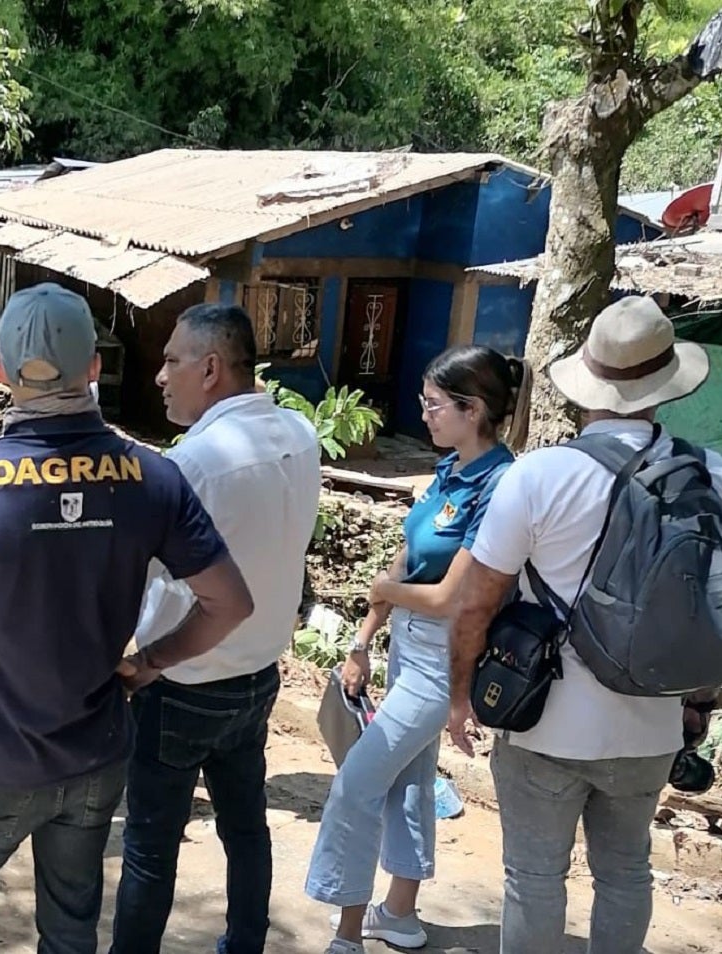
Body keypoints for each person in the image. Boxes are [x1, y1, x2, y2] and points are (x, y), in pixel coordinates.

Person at [0, 283, 255, 954]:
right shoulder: (153, 477)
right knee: (71, 930)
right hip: (93, 760)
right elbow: (231, 603)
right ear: (94, 368)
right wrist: (150, 663)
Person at [447, 297, 722, 954]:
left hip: (544, 718)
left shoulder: (540, 475)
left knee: (534, 877)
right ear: (666, 385)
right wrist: (701, 701)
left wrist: (460, 697)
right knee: (625, 871)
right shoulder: (710, 473)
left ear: (587, 384)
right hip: (652, 722)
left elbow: (475, 605)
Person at [110, 303, 320, 954]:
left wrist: (138, 661)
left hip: (182, 681)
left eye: (171, 361)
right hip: (257, 676)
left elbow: (137, 573)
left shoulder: (195, 462)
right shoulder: (299, 434)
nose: (159, 376)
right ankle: (245, 943)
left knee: (151, 844)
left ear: (210, 369)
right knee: (246, 828)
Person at [307, 345, 530, 954]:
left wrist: (385, 593)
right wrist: (362, 641)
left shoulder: (500, 485)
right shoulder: (450, 469)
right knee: (408, 780)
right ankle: (399, 916)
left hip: (445, 656)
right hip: (408, 643)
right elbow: (404, 559)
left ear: (472, 409)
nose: (424, 414)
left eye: (434, 405)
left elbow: (452, 598)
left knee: (356, 784)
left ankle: (347, 934)